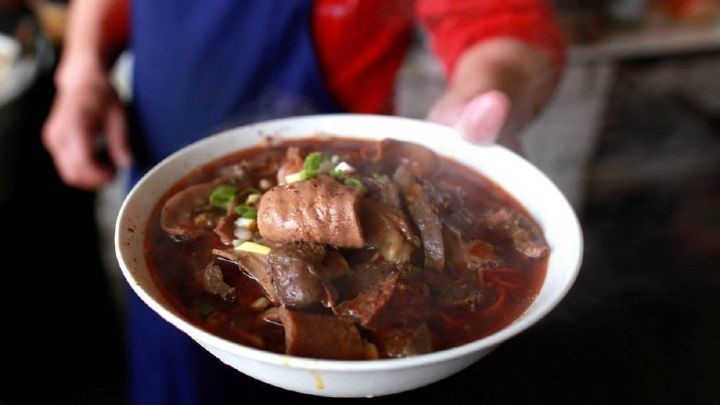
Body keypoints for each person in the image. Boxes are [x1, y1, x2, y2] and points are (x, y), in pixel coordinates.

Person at [42, 0, 566, 404]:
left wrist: (485, 96)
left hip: (353, 140)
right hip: (165, 150)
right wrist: (81, 66)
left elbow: (499, 18)